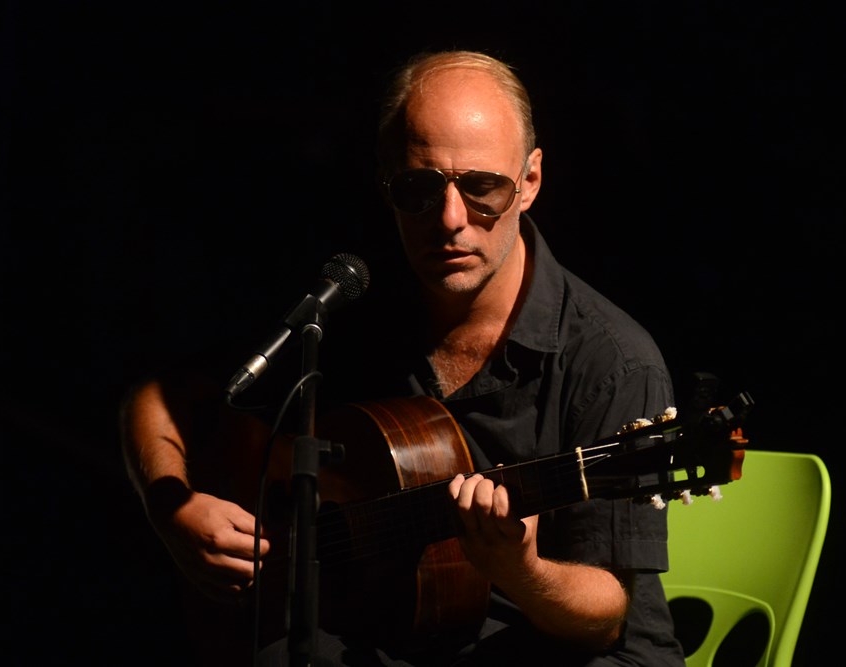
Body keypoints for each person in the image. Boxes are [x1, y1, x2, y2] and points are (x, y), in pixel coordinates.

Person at [120, 49, 687, 666]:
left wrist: (521, 568)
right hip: (405, 631)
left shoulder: (612, 361)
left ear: (529, 182)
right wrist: (170, 508)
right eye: (419, 189)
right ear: (385, 184)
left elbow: (605, 619)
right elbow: (159, 397)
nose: (450, 220)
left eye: (483, 188)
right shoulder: (354, 303)